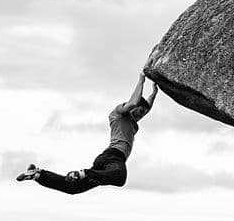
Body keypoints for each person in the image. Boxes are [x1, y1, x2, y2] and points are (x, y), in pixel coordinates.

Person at [15, 73, 158, 194]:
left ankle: (38, 175)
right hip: (112, 157)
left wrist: (154, 93)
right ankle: (86, 173)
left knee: (72, 188)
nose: (140, 116)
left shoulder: (132, 122)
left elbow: (146, 107)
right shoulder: (119, 114)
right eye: (138, 113)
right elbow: (133, 103)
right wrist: (141, 81)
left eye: (141, 114)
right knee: (120, 177)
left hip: (105, 164)